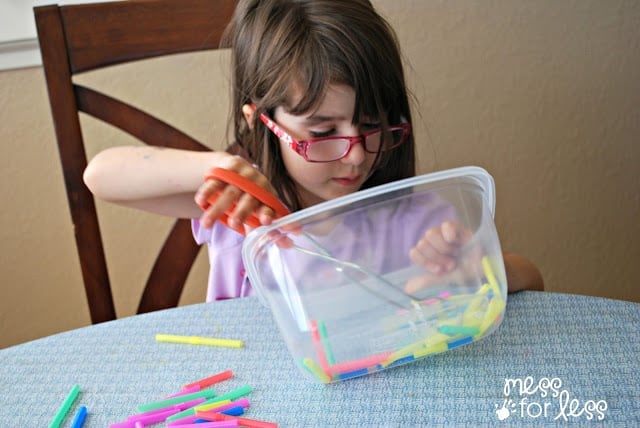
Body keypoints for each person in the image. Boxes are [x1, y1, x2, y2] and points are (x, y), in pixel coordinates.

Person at [83, 0, 543, 302]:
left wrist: (472, 269)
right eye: (322, 131)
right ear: (259, 120)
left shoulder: (412, 214)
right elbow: (101, 175)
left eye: (371, 125)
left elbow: (530, 278)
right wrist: (220, 166)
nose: (358, 155)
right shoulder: (243, 210)